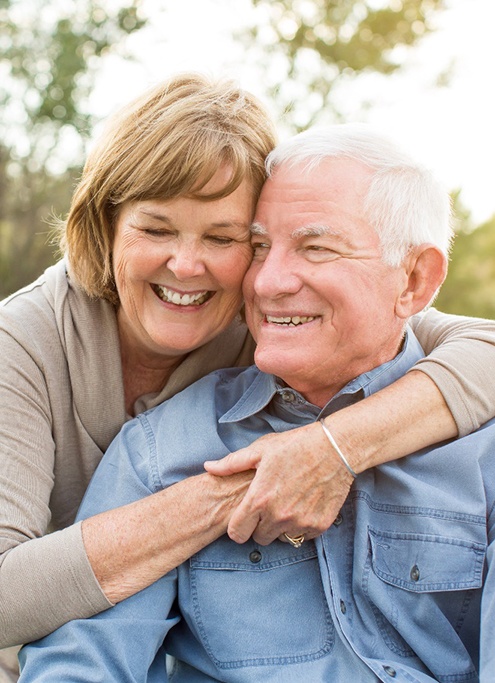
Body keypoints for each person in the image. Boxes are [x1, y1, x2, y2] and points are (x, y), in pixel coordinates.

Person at [1, 73, 495, 681]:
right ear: (106, 229)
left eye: (230, 239)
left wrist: (333, 449)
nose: (266, 280)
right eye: (156, 228)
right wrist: (244, 487)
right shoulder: (50, 365)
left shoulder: (265, 309)